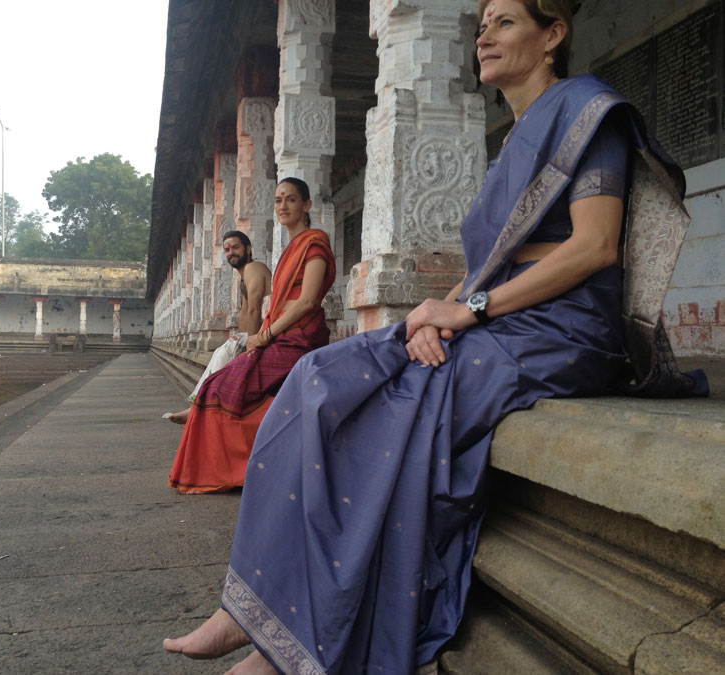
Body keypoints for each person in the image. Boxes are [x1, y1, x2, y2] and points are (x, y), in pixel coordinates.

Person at [163, 0, 708, 672]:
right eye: (480, 23)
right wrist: (433, 310)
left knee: (396, 409)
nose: (484, 34)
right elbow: (485, 268)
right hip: (497, 315)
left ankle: (292, 647)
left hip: (563, 330)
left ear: (553, 35)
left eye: (505, 21)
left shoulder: (589, 112)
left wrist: (470, 309)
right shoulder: (514, 139)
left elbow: (593, 248)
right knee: (317, 380)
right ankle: (247, 610)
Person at [168, 177, 337, 494]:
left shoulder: (314, 244)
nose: (283, 206)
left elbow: (307, 300)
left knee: (224, 386)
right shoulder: (289, 250)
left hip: (300, 337)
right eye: (277, 200)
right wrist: (262, 336)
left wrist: (264, 335)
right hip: (280, 333)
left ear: (306, 206)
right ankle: (235, 465)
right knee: (219, 383)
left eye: (290, 199)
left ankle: (244, 467)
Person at [163, 231, 271, 424]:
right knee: (223, 352)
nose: (231, 253)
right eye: (227, 249)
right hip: (256, 333)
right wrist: (243, 339)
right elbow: (244, 312)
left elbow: (255, 309)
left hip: (270, 331)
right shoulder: (242, 275)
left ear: (248, 249)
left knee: (223, 352)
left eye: (236, 247)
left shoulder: (254, 268)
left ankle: (195, 406)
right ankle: (198, 404)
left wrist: (251, 345)